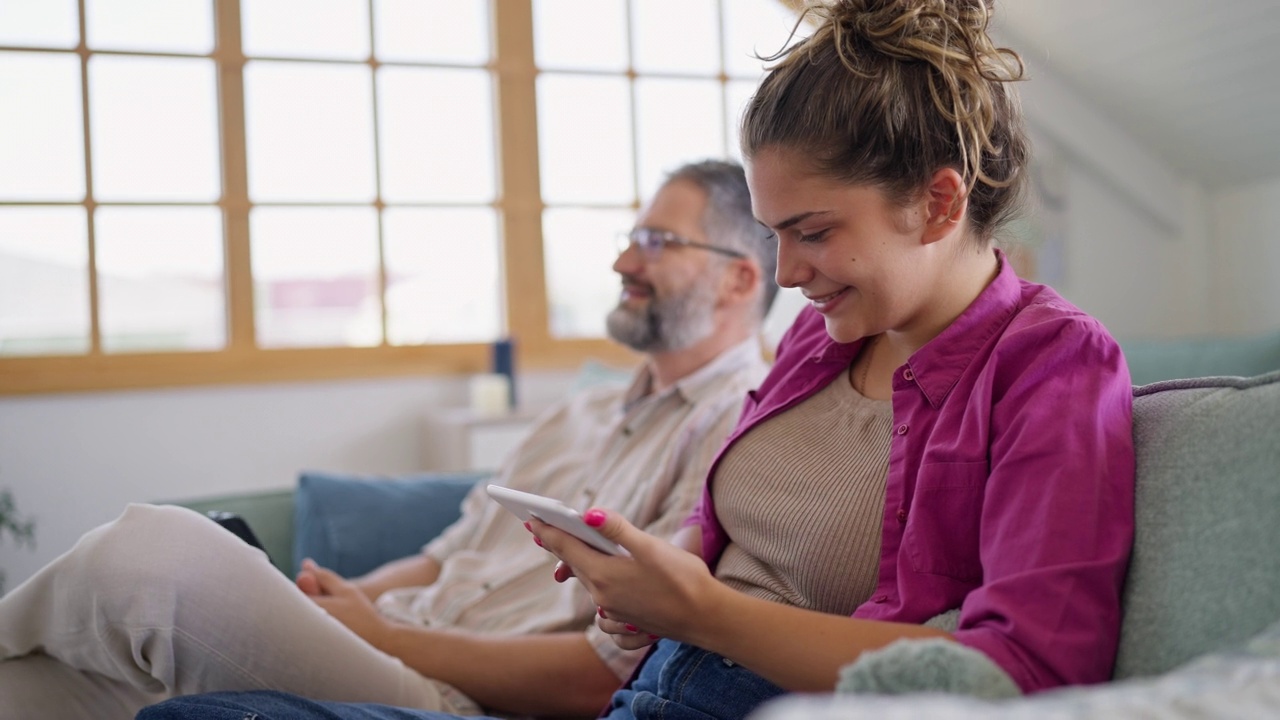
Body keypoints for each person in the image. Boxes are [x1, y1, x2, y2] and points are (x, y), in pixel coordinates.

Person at [139, 0, 1137, 718]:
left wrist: (696, 609)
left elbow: (1024, 668)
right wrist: (635, 587)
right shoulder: (820, 344)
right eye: (770, 233)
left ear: (937, 202)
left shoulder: (1050, 368)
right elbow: (706, 557)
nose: (783, 272)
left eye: (812, 232)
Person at [0, 159, 779, 720]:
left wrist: (383, 635)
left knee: (158, 553)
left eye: (655, 242)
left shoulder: (734, 429)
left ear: (740, 279)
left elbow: (594, 680)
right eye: (630, 237)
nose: (621, 260)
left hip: (452, 692)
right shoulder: (576, 414)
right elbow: (449, 552)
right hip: (397, 638)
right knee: (34, 691)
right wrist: (340, 601)